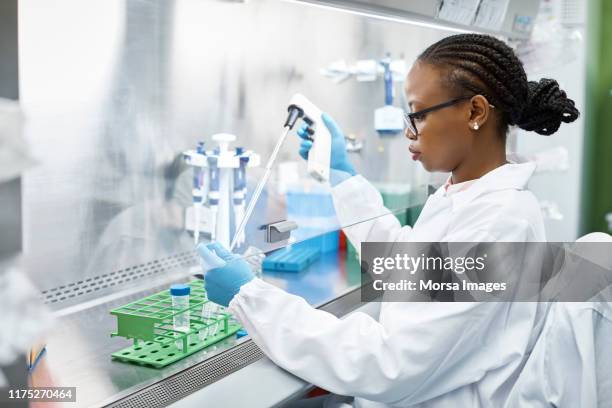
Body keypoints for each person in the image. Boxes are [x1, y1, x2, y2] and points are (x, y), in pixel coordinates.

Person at [198, 33, 582, 407]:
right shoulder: (467, 196)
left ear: (475, 112)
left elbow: (389, 366)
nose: (408, 131)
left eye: (418, 114)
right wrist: (343, 179)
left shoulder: (499, 222)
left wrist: (249, 297)